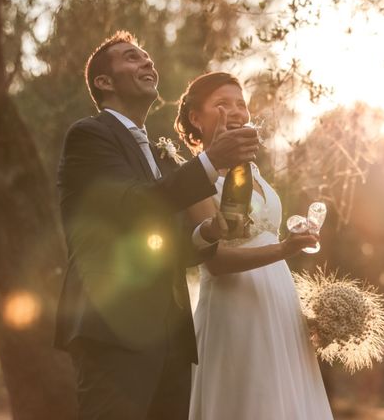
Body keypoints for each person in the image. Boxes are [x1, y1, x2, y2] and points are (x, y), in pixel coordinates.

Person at [54, 31, 261, 420]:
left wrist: (208, 233)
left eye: (148, 58)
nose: (148, 63)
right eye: (132, 58)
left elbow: (168, 243)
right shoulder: (90, 136)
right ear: (104, 82)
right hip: (112, 327)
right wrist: (209, 161)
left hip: (172, 337)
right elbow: (134, 207)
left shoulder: (160, 156)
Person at [175, 72, 334, 419]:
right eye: (222, 104)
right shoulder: (192, 177)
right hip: (234, 308)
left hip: (278, 299)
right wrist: (284, 250)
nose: (235, 110)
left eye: (240, 104)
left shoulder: (254, 172)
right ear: (196, 119)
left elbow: (265, 234)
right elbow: (214, 261)